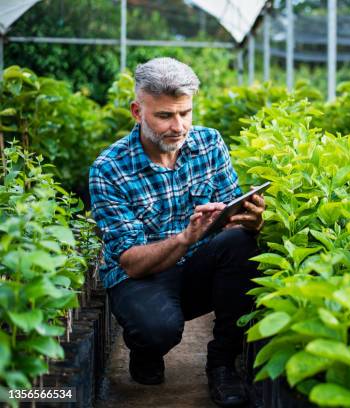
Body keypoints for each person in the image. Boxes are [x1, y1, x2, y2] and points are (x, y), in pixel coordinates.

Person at [89, 57, 264, 406]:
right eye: (165, 116)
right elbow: (132, 264)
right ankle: (146, 346)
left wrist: (252, 219)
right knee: (157, 330)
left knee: (242, 243)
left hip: (196, 267)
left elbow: (230, 218)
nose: (178, 126)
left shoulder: (209, 144)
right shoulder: (109, 169)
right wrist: (188, 236)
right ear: (138, 112)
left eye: (185, 113)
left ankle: (222, 365)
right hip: (142, 276)